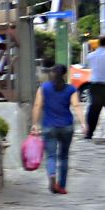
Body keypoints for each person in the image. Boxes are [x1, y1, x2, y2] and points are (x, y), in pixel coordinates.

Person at [34, 63, 77, 193]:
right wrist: (84, 123)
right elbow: (77, 106)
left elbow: (37, 105)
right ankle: (61, 186)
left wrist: (35, 123)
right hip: (67, 126)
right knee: (64, 157)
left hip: (49, 126)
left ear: (52, 73)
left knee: (51, 156)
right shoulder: (71, 89)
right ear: (65, 74)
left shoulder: (44, 87)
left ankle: (52, 174)